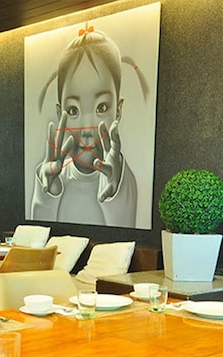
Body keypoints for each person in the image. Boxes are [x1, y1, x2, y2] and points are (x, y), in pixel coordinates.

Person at [30, 25, 146, 227]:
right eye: (73, 110)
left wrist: (115, 187)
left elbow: (125, 228)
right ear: (59, 113)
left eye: (101, 107)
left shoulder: (122, 179)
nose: (86, 128)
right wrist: (49, 191)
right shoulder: (57, 176)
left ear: (118, 110)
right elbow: (38, 233)